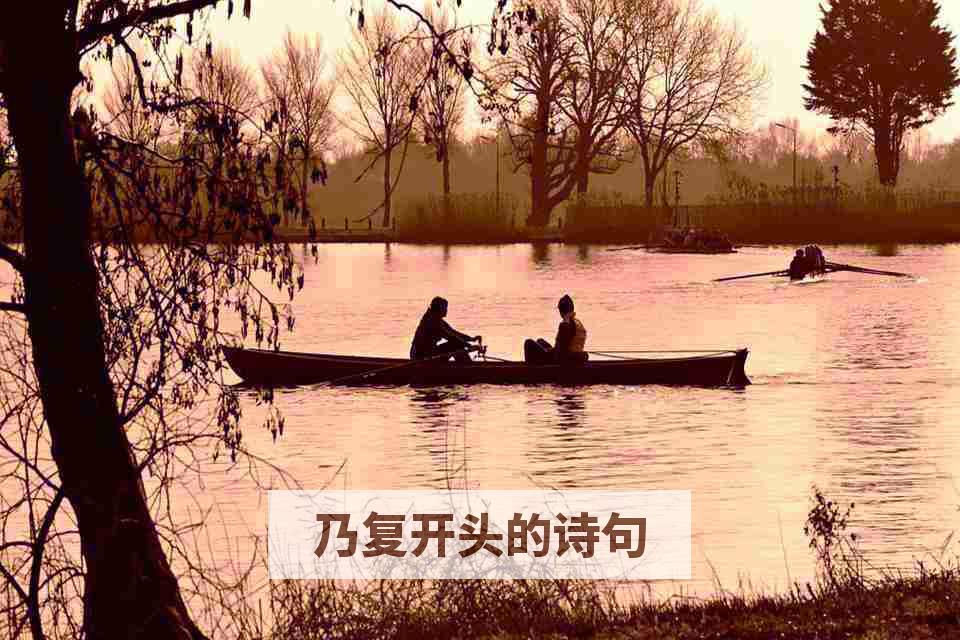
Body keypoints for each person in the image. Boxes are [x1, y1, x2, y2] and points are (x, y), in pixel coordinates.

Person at [410, 297, 482, 364]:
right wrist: (469, 346)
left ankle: (467, 365)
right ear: (439, 309)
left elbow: (454, 332)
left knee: (457, 344)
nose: (446, 310)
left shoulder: (436, 318)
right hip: (421, 356)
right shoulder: (432, 321)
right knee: (456, 345)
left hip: (429, 353)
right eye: (445, 308)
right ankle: (467, 367)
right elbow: (451, 337)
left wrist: (471, 339)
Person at [524, 294, 589, 365]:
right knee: (540, 341)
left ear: (561, 311)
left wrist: (549, 351)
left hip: (561, 359)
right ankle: (538, 361)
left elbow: (560, 350)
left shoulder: (565, 325)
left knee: (528, 343)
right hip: (570, 354)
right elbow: (564, 345)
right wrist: (549, 349)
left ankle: (530, 367)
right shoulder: (577, 322)